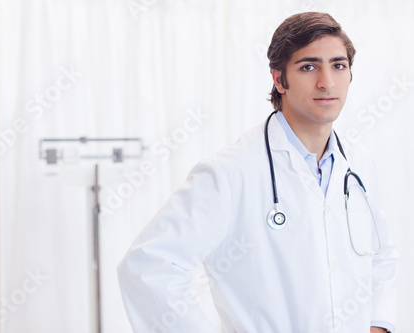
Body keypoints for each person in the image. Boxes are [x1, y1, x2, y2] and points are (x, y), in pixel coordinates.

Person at [118, 12, 398, 333]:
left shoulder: (359, 163)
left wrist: (378, 324)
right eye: (308, 66)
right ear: (279, 79)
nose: (327, 81)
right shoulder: (230, 171)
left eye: (338, 65)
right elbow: (148, 267)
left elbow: (381, 255)